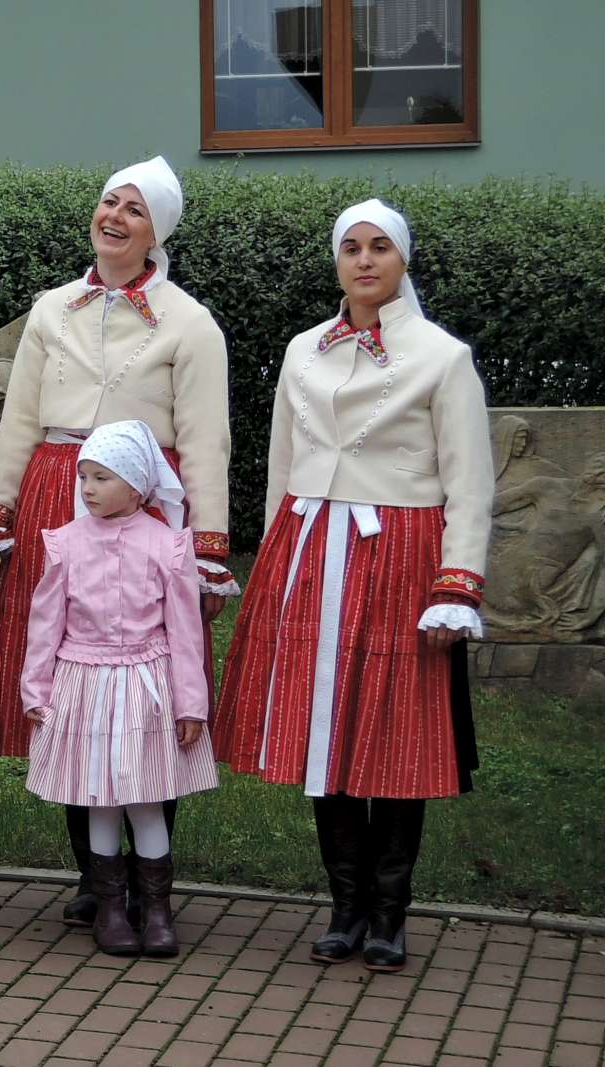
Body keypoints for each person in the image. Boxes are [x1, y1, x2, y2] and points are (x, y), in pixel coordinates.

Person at [212, 199, 494, 973]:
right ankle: (345, 904)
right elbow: (282, 461)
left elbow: (470, 482)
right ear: (337, 260)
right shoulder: (303, 349)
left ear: (403, 259)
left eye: (379, 247)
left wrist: (457, 583)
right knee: (322, 726)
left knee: (397, 729)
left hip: (400, 554)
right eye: (351, 247)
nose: (364, 260)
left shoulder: (443, 357)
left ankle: (390, 911)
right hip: (311, 546)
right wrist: (276, 556)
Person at [0, 156, 234, 927]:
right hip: (60, 491)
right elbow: (21, 417)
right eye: (108, 202)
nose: (114, 216)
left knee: (151, 685)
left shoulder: (189, 321)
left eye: (134, 209)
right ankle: (96, 877)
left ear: (157, 232)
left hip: (149, 502)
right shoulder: (52, 308)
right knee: (72, 680)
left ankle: (150, 877)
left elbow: (206, 439)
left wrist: (207, 545)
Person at [20, 420, 218, 958]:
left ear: (136, 485)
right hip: (84, 685)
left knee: (146, 798)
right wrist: (36, 690)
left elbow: (185, 634)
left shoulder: (168, 546)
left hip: (144, 687)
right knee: (99, 800)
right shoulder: (64, 543)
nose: (87, 488)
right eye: (83, 477)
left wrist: (191, 704)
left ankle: (156, 911)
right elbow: (45, 624)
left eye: (101, 478)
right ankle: (109, 909)